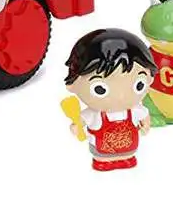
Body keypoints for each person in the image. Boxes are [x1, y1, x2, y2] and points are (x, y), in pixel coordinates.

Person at [63, 28, 158, 171]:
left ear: (150, 79)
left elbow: (144, 117)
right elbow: (78, 123)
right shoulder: (93, 114)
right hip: (101, 152)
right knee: (102, 159)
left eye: (139, 85)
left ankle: (127, 159)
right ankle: (103, 162)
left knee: (128, 157)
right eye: (99, 89)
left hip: (129, 149)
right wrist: (76, 127)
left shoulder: (135, 110)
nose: (120, 96)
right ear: (73, 85)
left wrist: (146, 125)